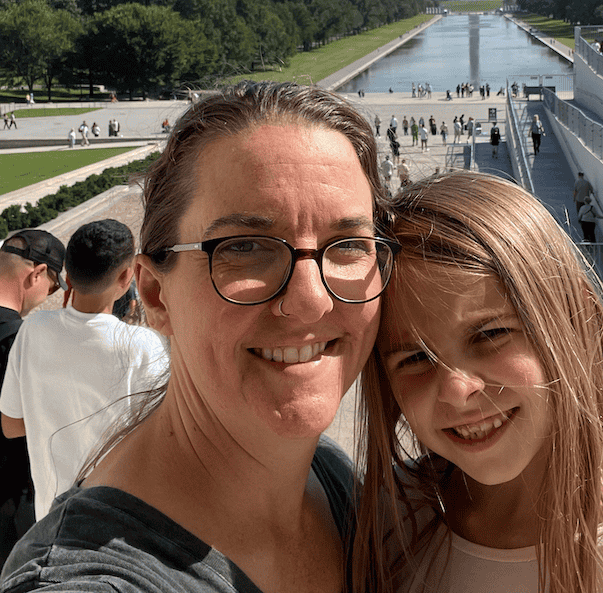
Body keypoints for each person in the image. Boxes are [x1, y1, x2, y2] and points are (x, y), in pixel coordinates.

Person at [0, 82, 396, 593]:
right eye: (246, 246)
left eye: (347, 245)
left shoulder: (327, 474)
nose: (311, 300)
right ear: (155, 294)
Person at [355, 172, 603, 593]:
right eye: (415, 357)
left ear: (575, 327)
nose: (456, 389)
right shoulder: (393, 514)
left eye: (489, 334)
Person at [1, 220, 168, 519]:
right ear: (127, 276)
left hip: (51, 522)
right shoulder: (143, 346)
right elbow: (167, 442)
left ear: (69, 273)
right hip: (118, 524)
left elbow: (11, 425)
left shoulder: (33, 330)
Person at [0, 230, 66, 565]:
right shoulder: (22, 343)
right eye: (52, 287)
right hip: (11, 503)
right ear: (37, 274)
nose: (48, 296)